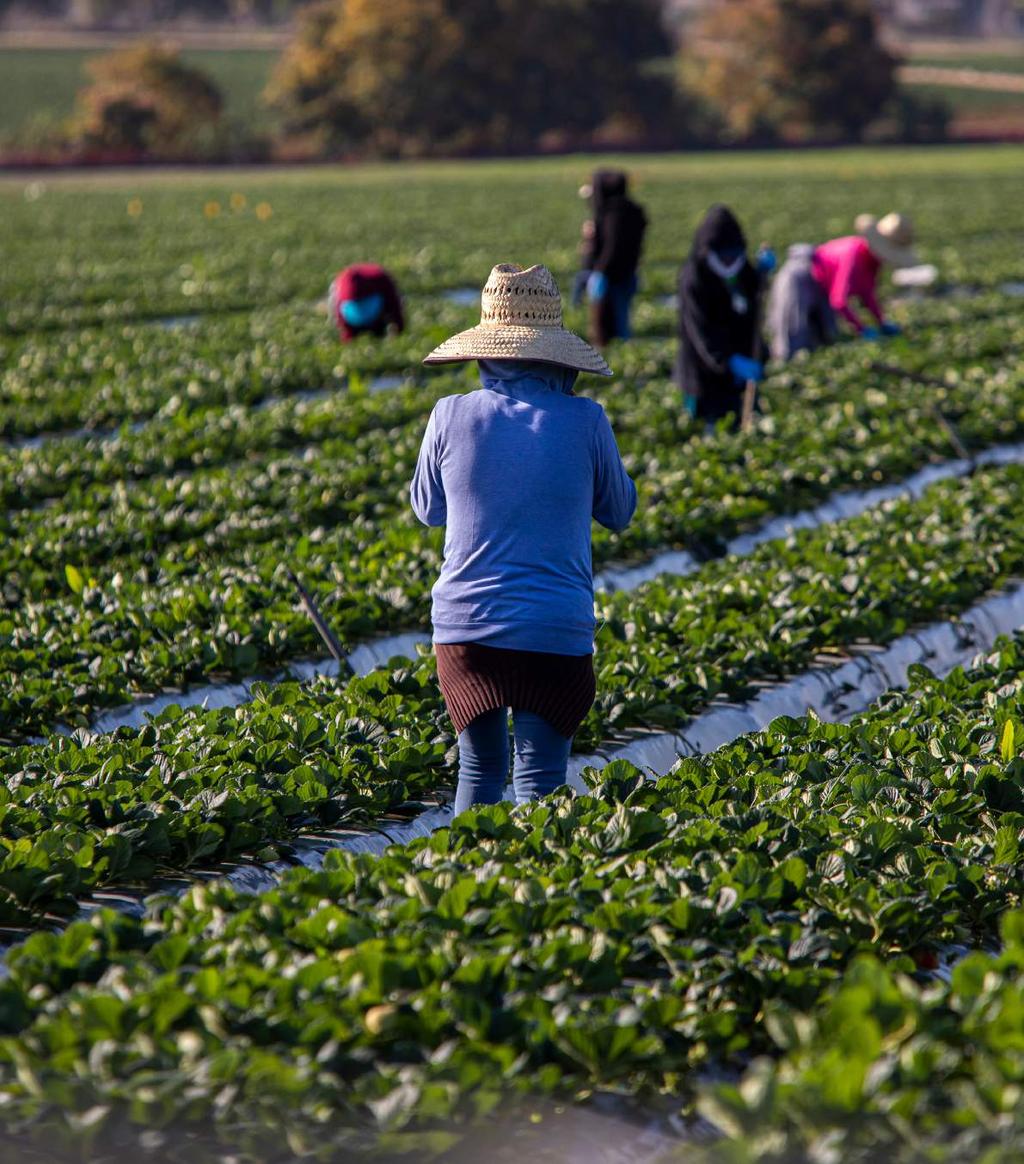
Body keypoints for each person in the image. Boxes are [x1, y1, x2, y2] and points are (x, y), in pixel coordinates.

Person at [411, 262, 637, 814]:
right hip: (553, 627)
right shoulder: (587, 421)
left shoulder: (449, 414)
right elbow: (620, 511)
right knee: (540, 781)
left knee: (480, 769)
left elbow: (427, 510)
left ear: (486, 350)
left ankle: (467, 886)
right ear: (558, 356)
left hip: (467, 627)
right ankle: (537, 892)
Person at [768, 212, 918, 362]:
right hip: (801, 278)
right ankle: (783, 362)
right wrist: (861, 329)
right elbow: (838, 300)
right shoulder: (853, 255)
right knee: (794, 332)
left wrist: (882, 322)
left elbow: (868, 294)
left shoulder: (873, 262)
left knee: (824, 336)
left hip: (823, 287)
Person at [676, 204, 768, 431]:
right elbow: (700, 332)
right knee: (713, 425)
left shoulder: (742, 269)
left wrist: (762, 275)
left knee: (743, 419)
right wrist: (728, 362)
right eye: (724, 257)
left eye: (734, 256)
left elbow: (752, 307)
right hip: (705, 370)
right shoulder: (694, 277)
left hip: (738, 367)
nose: (729, 263)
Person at [583, 170, 648, 347]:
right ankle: (621, 350)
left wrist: (600, 271)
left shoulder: (614, 214)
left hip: (612, 276)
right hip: (629, 272)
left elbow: (612, 246)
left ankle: (614, 355)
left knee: (608, 322)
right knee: (622, 318)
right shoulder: (633, 211)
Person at [328, 262, 404, 343]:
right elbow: (340, 316)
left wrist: (398, 327)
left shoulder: (382, 280)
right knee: (353, 332)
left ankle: (377, 332)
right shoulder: (341, 289)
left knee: (378, 330)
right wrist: (347, 336)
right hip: (350, 302)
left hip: (375, 297)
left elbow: (395, 307)